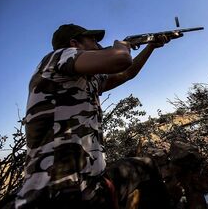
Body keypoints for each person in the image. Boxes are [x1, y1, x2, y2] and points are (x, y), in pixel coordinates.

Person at [13, 24, 176, 209]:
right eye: (93, 40)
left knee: (146, 166)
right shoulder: (57, 57)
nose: (98, 45)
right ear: (74, 44)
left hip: (89, 183)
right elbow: (121, 59)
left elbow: (127, 72)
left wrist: (150, 46)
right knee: (147, 169)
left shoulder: (87, 79)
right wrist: (122, 44)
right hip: (58, 190)